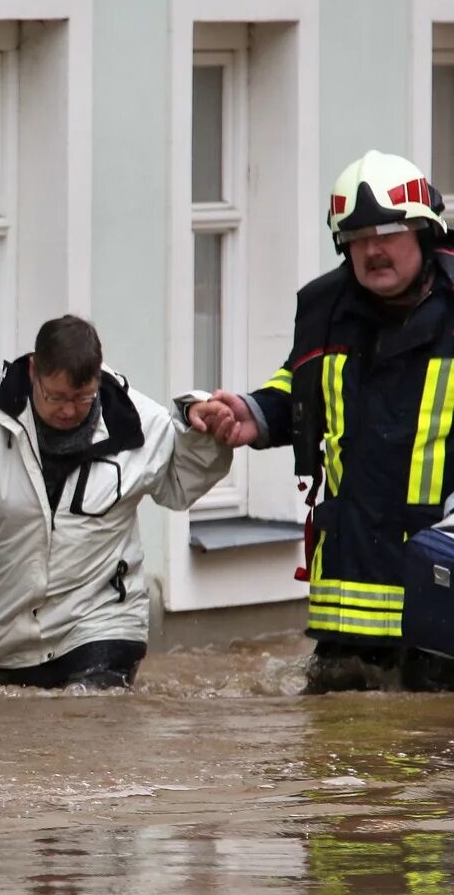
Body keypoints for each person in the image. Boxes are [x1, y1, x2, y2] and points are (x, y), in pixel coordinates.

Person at [187, 150, 454, 693]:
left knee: (427, 766)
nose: (373, 250)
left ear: (424, 233)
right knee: (335, 766)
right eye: (357, 237)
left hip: (439, 597)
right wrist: (252, 413)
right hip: (347, 597)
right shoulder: (326, 310)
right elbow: (301, 386)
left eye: (387, 232)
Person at [0, 314, 231, 688]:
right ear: (33, 371)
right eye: (56, 396)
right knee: (8, 740)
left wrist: (200, 429)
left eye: (82, 397)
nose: (68, 410)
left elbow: (181, 482)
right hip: (6, 633)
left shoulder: (133, 418)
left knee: (89, 726)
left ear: (97, 377)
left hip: (103, 622)